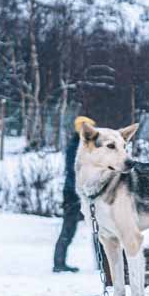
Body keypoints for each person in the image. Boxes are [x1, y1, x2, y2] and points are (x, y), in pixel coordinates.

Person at [53, 116, 94, 272]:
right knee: (68, 229)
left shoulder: (83, 145)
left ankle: (102, 263)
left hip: (81, 192)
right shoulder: (76, 147)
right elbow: (75, 170)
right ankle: (59, 263)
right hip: (73, 193)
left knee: (98, 228)